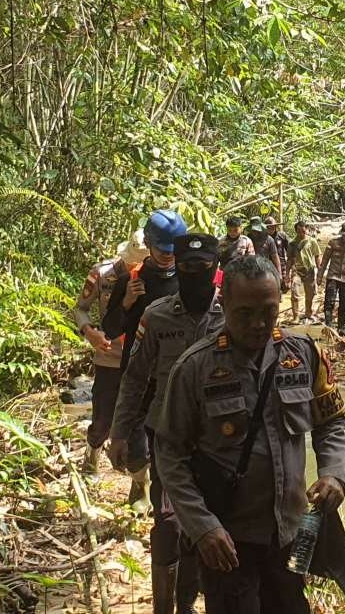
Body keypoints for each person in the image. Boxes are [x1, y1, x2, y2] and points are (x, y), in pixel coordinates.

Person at [153, 255, 345, 614]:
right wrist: (202, 527)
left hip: (291, 534)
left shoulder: (304, 355)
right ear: (223, 304)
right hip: (227, 541)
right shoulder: (195, 368)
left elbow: (332, 422)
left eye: (269, 311)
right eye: (245, 313)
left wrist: (334, 473)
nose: (259, 323)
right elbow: (169, 452)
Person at [109, 234, 223, 614]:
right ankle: (164, 607)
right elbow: (135, 378)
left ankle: (188, 602)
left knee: (205, 523)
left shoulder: (232, 316)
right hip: (167, 437)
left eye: (201, 269)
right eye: (186, 269)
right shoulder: (156, 316)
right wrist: (120, 432)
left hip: (219, 441)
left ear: (214, 270)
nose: (192, 276)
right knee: (169, 524)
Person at [102, 209, 188, 509]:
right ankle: (140, 483)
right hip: (139, 372)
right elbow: (110, 329)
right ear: (149, 245)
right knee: (135, 433)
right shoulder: (131, 278)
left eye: (173, 251)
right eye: (163, 251)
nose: (168, 257)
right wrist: (126, 301)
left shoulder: (190, 278)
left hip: (177, 373)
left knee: (176, 435)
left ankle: (170, 497)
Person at [73, 230, 149, 474]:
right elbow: (80, 309)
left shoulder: (156, 277)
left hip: (144, 359)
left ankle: (140, 484)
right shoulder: (102, 274)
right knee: (103, 418)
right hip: (110, 358)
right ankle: (92, 455)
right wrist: (90, 333)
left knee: (142, 424)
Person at [287, 221, 321, 323]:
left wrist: (320, 270)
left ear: (306, 230)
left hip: (309, 270)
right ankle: (296, 316)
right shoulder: (292, 243)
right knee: (295, 293)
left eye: (303, 231)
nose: (301, 233)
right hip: (297, 270)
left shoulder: (312, 241)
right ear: (296, 231)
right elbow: (289, 259)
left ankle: (308, 313)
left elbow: (317, 255)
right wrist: (287, 274)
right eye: (298, 231)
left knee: (310, 293)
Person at [264, 217, 291, 290]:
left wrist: (291, 264)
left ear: (275, 226)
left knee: (285, 286)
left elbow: (290, 250)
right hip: (268, 266)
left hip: (282, 265)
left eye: (272, 226)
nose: (271, 228)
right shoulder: (263, 238)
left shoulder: (282, 235)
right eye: (268, 227)